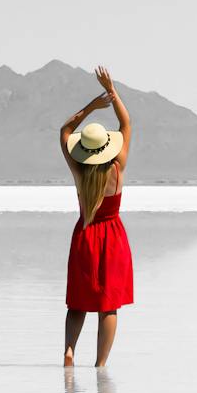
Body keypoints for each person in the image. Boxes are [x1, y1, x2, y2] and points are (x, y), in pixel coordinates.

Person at [59, 66, 134, 367]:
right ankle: (100, 365)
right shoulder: (118, 166)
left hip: (85, 235)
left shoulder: (79, 171)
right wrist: (112, 92)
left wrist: (92, 106)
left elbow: (65, 131)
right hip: (112, 237)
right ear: (107, 147)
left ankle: (69, 351)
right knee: (108, 307)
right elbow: (126, 124)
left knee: (78, 302)